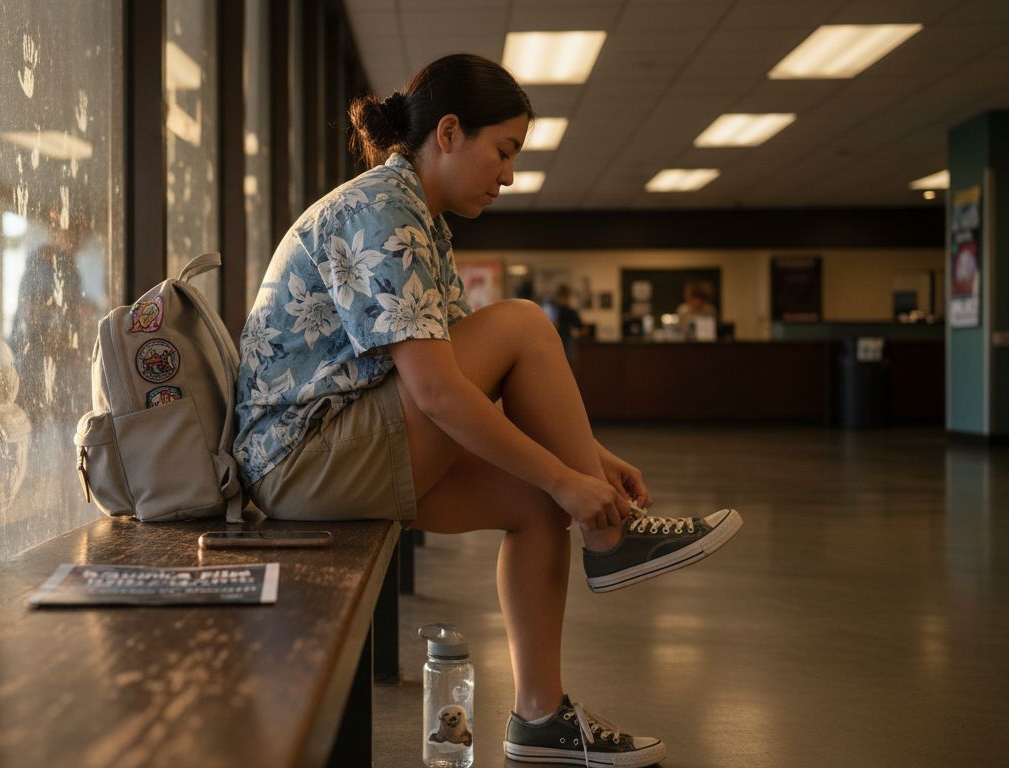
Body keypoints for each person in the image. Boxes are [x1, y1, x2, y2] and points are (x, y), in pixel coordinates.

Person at [234, 54, 741, 767]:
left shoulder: (423, 220)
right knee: (525, 323)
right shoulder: (382, 208)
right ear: (447, 132)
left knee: (539, 506)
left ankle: (540, 717)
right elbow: (439, 393)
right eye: (503, 152)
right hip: (303, 460)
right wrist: (573, 473)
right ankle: (614, 542)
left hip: (335, 453)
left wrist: (583, 464)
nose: (509, 175)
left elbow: (471, 387)